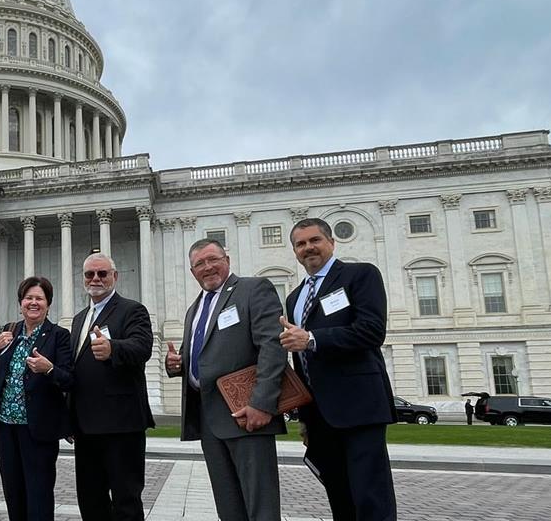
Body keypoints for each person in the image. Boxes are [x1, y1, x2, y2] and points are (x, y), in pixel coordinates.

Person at [279, 218, 397, 521]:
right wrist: (304, 415)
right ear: (294, 251)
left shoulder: (360, 275)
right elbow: (300, 359)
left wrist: (313, 338)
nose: (308, 248)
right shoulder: (294, 297)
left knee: (370, 495)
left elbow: (372, 331)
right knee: (338, 493)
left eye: (315, 240)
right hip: (319, 413)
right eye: (301, 244)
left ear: (331, 242)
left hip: (358, 405)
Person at [165, 238, 286, 521]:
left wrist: (262, 403)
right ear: (192, 271)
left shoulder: (252, 289)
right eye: (199, 264)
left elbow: (272, 345)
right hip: (210, 419)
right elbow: (200, 355)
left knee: (261, 508)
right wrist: (177, 364)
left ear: (227, 260)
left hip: (247, 414)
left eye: (212, 259)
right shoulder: (194, 310)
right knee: (229, 508)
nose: (207, 267)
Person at [68, 253, 154, 521]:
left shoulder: (132, 309)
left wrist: (113, 347)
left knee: (125, 499)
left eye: (102, 273)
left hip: (121, 424)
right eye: (89, 274)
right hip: (86, 426)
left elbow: (143, 347)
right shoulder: (79, 318)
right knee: (90, 499)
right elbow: (76, 369)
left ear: (114, 277)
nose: (95, 279)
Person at [0, 277, 74, 521]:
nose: (33, 303)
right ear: (20, 303)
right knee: (13, 492)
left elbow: (69, 379)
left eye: (39, 298)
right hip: (6, 426)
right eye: (29, 298)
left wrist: (49, 369)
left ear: (48, 304)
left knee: (39, 494)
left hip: (38, 428)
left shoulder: (58, 336)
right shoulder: (9, 332)